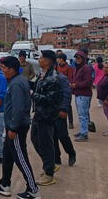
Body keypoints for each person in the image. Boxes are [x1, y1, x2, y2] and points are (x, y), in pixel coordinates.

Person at [0, 56, 39, 199]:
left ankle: (33, 189)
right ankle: (4, 184)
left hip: (16, 127)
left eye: (4, 68)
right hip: (12, 125)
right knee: (8, 156)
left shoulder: (17, 84)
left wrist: (13, 128)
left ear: (11, 69)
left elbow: (18, 109)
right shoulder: (15, 81)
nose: (2, 71)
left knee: (21, 157)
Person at [31, 50, 62, 186]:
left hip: (47, 115)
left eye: (42, 57)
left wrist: (32, 95)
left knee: (46, 143)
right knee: (34, 139)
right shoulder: (42, 74)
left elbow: (50, 99)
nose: (39, 59)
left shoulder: (53, 78)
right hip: (39, 113)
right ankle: (49, 164)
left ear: (49, 60)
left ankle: (49, 173)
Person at [54, 64, 76, 169]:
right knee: (52, 136)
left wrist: (64, 109)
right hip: (49, 112)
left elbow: (67, 94)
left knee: (62, 135)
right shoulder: (44, 77)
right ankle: (56, 158)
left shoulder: (61, 78)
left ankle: (71, 153)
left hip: (59, 111)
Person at [70, 51, 93, 142]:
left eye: (79, 58)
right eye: (76, 58)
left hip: (84, 94)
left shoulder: (86, 68)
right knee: (81, 115)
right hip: (79, 94)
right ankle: (83, 131)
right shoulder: (78, 68)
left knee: (83, 115)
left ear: (83, 59)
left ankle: (84, 134)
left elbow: (88, 82)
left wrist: (76, 85)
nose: (77, 60)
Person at [56, 53, 75, 129]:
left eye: (58, 58)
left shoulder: (69, 67)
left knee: (68, 106)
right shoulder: (57, 67)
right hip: (58, 88)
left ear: (61, 59)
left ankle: (70, 122)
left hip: (66, 88)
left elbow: (70, 78)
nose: (57, 60)